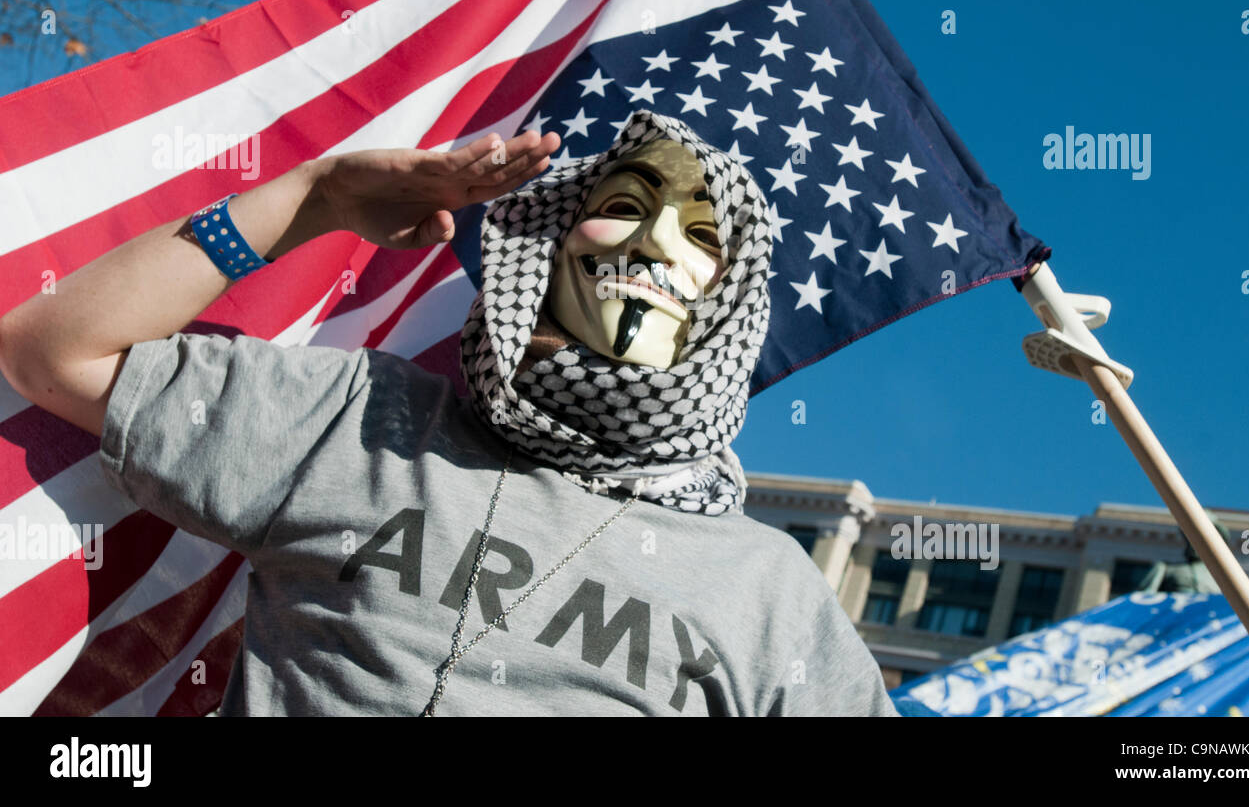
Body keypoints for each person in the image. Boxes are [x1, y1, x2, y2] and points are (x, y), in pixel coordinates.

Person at [0, 109, 898, 717]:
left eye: (703, 237)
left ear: (727, 303)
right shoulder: (359, 421)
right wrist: (309, 201)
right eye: (623, 206)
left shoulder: (766, 589)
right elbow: (53, 352)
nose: (653, 242)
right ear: (549, 239)